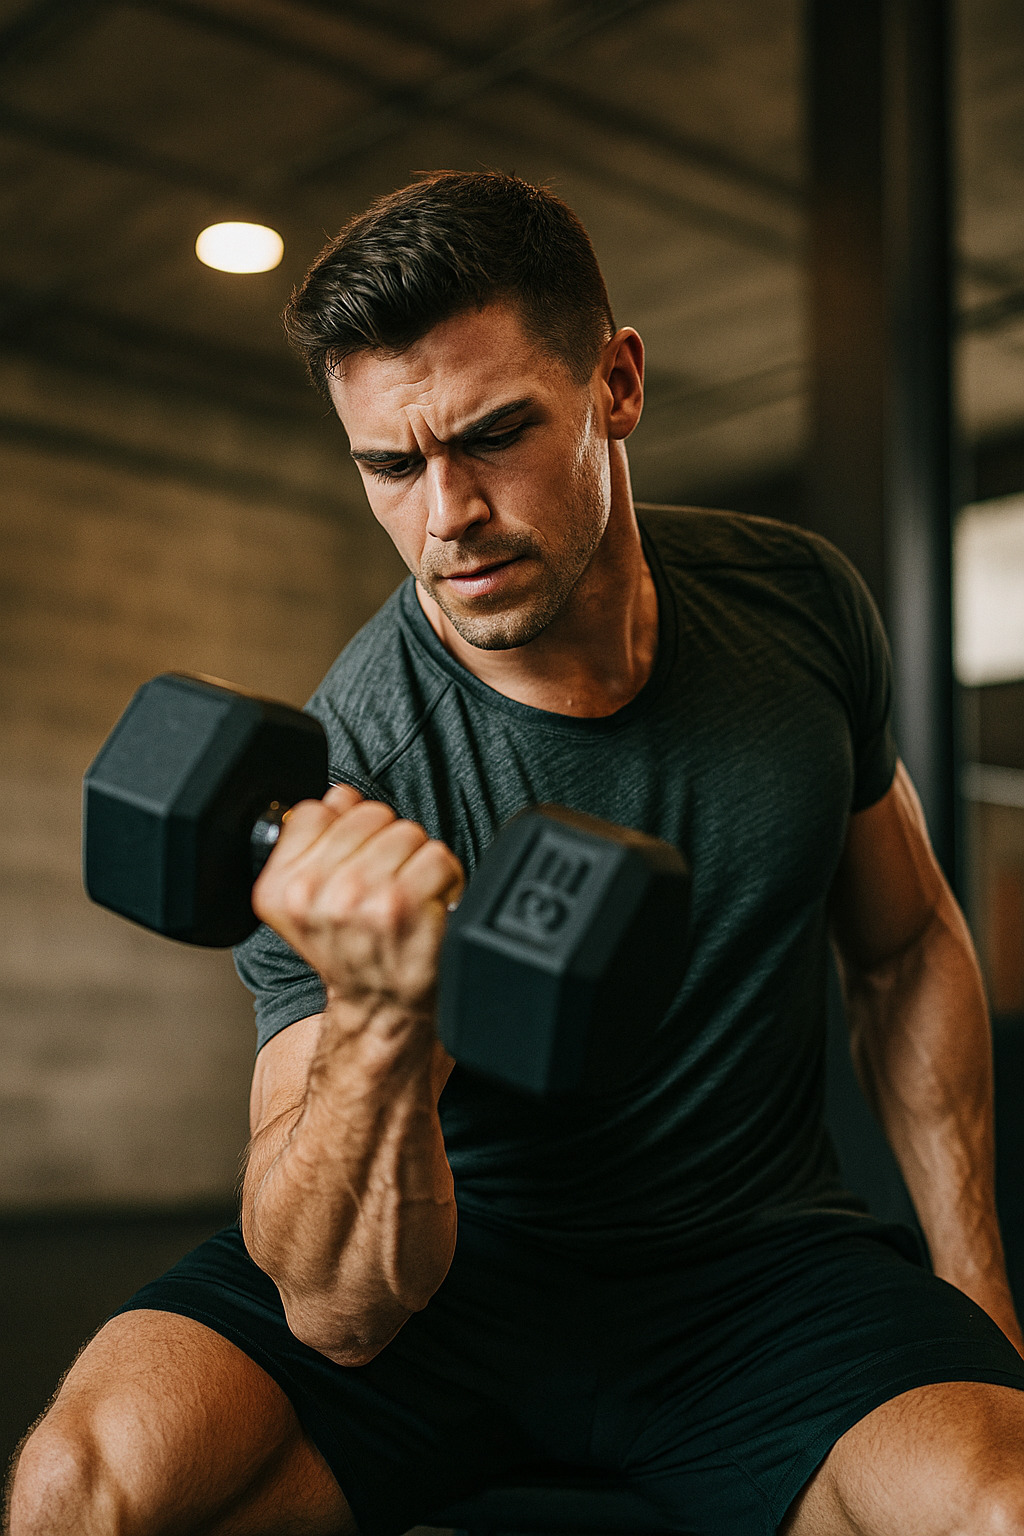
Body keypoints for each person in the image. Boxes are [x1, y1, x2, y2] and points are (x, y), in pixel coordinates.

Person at [7, 170, 1024, 1536]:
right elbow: (338, 1311)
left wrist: (977, 1293)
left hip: (754, 1271)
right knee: (80, 1492)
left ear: (617, 384)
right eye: (389, 466)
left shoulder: (800, 610)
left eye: (492, 437)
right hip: (450, 1282)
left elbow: (903, 952)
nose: (446, 516)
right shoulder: (345, 769)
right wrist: (379, 1017)